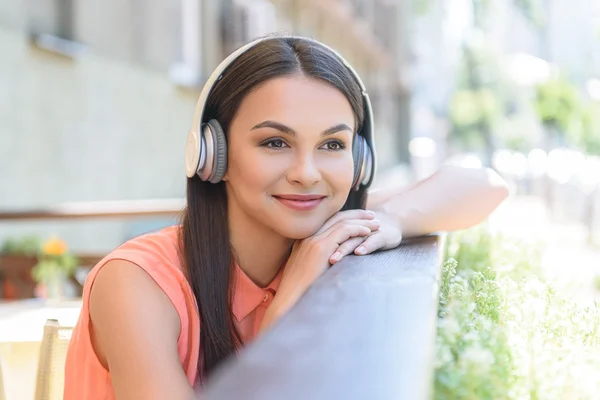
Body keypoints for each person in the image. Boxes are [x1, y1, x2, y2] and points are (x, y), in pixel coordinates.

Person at [63, 35, 509, 400]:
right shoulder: (137, 283)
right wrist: (279, 320)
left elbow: (485, 185)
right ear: (212, 156)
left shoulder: (324, 224)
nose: (306, 173)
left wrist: (387, 222)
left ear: (360, 160)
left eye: (332, 145)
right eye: (275, 143)